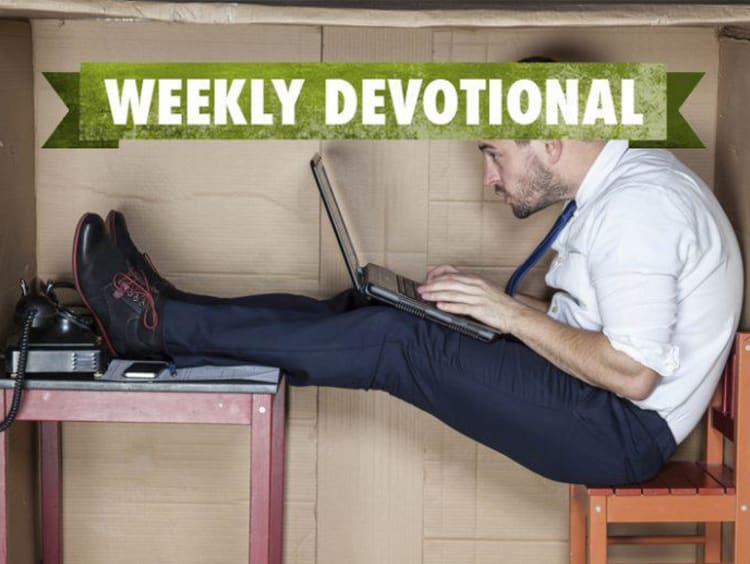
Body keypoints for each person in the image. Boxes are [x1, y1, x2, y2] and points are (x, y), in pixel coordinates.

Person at [71, 139, 743, 487]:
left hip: (617, 431)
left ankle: (156, 324)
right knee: (374, 306)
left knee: (395, 342)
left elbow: (632, 373)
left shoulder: (639, 209)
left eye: (495, 154)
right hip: (596, 402)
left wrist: (508, 315)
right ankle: (171, 313)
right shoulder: (626, 192)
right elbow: (598, 324)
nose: (489, 177)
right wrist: (479, 303)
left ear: (550, 139)